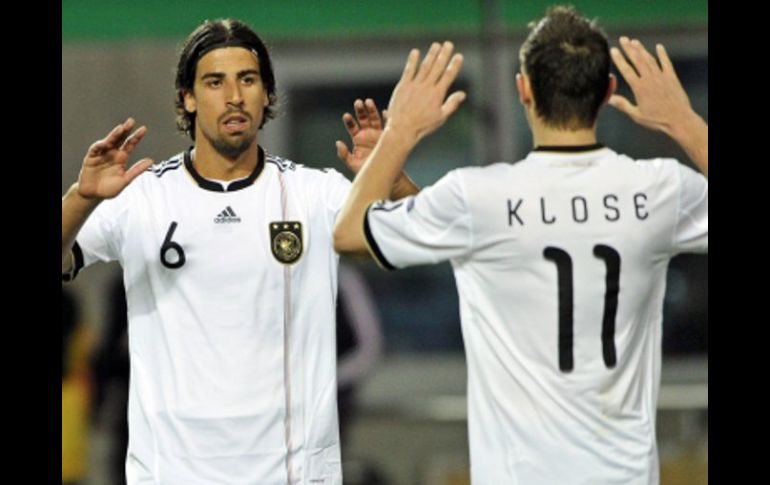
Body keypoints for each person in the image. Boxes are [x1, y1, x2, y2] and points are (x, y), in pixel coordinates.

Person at [333, 5, 707, 484]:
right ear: (609, 91)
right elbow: (496, 237)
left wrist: (398, 136)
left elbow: (348, 233)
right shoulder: (661, 191)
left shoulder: (477, 198)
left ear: (523, 90)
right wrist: (683, 122)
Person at [61, 18, 417, 484]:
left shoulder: (314, 193)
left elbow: (420, 233)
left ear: (266, 94)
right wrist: (82, 198)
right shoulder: (141, 197)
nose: (234, 96)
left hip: (293, 473)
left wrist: (388, 173)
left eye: (247, 80)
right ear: (188, 97)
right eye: (215, 82)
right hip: (173, 473)